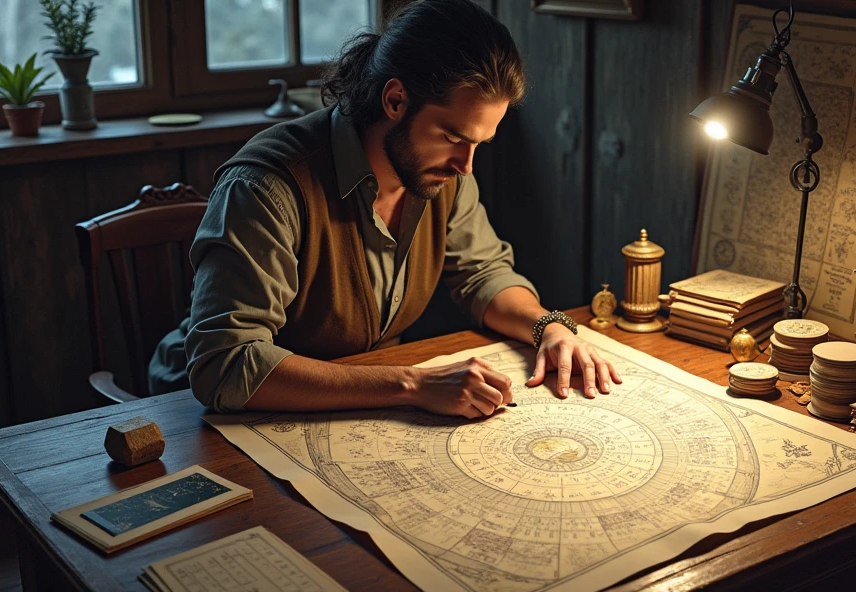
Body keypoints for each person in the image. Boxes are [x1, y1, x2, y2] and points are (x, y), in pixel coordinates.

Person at [148, 0, 621, 418]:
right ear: (395, 100)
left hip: (359, 401)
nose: (466, 165)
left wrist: (550, 328)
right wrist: (412, 385)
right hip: (217, 418)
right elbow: (225, 365)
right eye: (453, 137)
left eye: (480, 143)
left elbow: (483, 274)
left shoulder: (443, 175)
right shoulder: (269, 186)